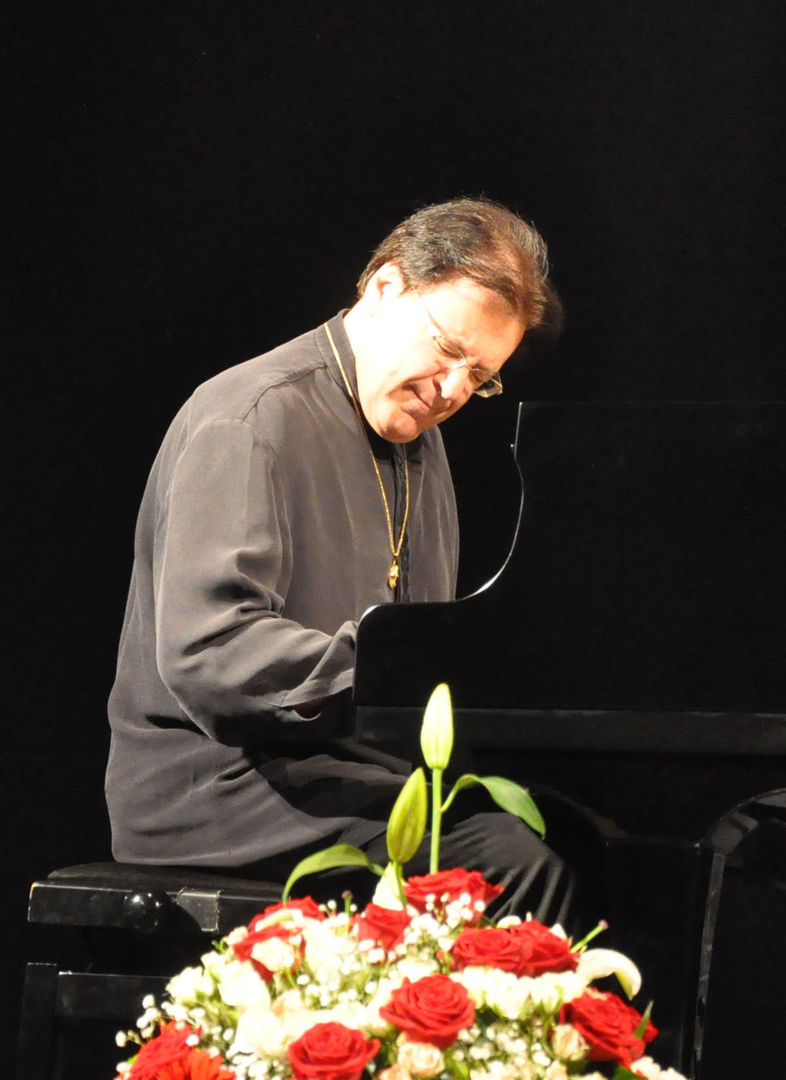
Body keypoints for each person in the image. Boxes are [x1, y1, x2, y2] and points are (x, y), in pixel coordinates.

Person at [104, 197, 591, 929]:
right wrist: (397, 670)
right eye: (447, 349)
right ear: (385, 286)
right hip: (219, 785)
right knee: (512, 863)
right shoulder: (250, 416)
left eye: (480, 376)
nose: (454, 390)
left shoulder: (418, 441)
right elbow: (211, 654)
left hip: (345, 773)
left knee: (580, 835)